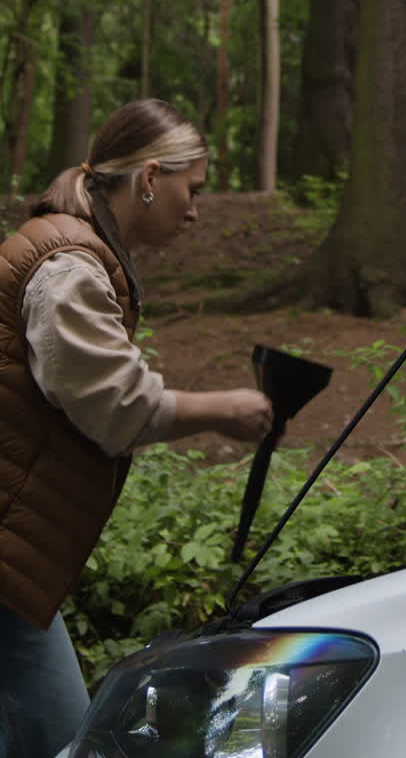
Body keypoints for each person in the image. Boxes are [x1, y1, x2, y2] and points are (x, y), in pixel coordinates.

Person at [0, 98, 274, 758]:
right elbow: (113, 403)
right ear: (150, 178)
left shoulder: (74, 249)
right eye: (192, 189)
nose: (195, 210)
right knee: (61, 734)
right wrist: (225, 411)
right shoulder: (68, 265)